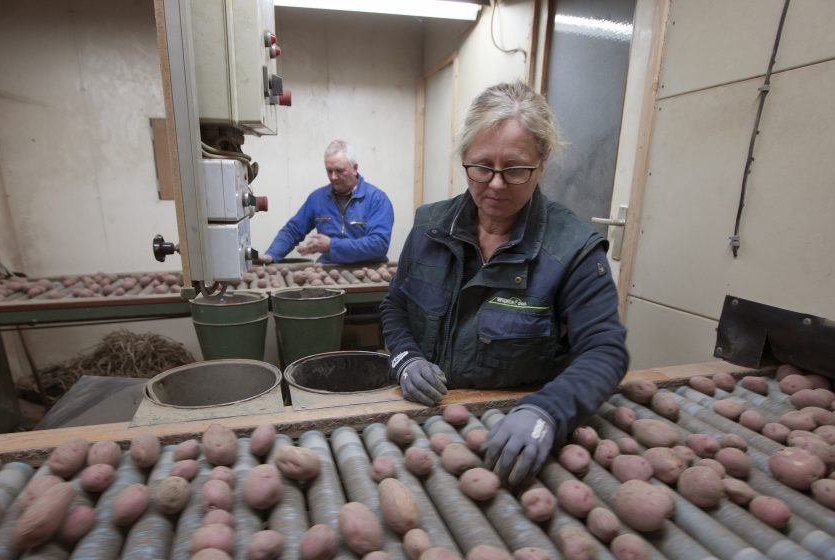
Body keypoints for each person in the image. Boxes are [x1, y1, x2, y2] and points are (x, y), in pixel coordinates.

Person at [379, 81, 629, 486]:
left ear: (542, 163)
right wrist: (405, 357)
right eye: (482, 166)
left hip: (516, 432)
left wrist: (547, 411)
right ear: (464, 158)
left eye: (515, 169)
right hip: (426, 423)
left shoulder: (574, 249)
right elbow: (395, 305)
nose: (495, 184)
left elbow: (604, 351)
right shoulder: (429, 227)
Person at [262, 140, 394, 264]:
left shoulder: (377, 199)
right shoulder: (318, 198)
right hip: (329, 268)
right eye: (329, 171)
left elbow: (379, 244)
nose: (333, 177)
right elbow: (293, 230)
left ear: (355, 168)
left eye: (340, 171)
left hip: (369, 269)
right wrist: (272, 255)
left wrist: (332, 245)